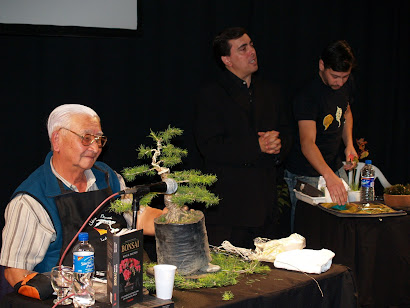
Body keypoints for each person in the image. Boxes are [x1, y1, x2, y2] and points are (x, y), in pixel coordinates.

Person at [0, 104, 165, 289]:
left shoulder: (109, 178)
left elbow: (139, 217)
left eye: (99, 139)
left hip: (124, 289)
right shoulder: (31, 201)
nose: (95, 148)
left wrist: (172, 218)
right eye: (86, 138)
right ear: (57, 140)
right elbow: (15, 272)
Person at [194, 27, 291, 249]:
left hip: (266, 207)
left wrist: (278, 145)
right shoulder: (211, 94)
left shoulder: (271, 91)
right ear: (226, 60)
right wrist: (256, 146)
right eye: (243, 48)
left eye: (252, 45)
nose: (252, 52)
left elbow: (287, 133)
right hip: (229, 210)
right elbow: (209, 146)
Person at [284, 40, 358, 232]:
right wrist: (329, 176)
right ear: (321, 65)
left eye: (345, 76)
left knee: (340, 224)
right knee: (307, 230)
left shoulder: (345, 84)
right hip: (305, 171)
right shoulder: (307, 95)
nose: (340, 82)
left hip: (332, 165)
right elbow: (307, 143)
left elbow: (346, 112)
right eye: (335, 76)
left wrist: (349, 144)